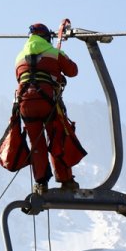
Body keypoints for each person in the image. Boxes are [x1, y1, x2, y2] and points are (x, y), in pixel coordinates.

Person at [14, 22, 86, 194]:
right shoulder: (54, 53)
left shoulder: (19, 57)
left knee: (36, 143)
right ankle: (66, 180)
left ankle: (41, 184)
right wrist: (59, 67)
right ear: (46, 37)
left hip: (25, 103)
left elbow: (22, 76)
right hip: (47, 102)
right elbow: (73, 71)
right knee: (57, 139)